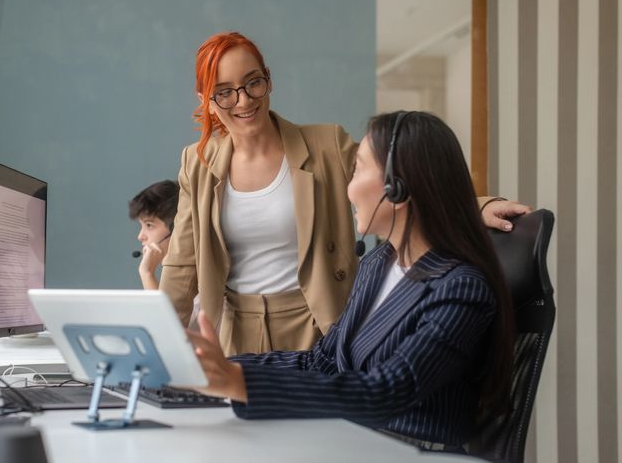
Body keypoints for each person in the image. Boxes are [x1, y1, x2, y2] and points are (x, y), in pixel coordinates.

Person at [160, 31, 528, 356]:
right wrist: (158, 351)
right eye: (224, 92)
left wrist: (474, 207)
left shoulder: (326, 146)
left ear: (269, 81)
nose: (243, 101)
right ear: (206, 99)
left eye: (253, 82)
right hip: (234, 334)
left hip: (319, 325)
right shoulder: (198, 162)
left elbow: (399, 183)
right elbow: (181, 265)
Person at [187, 110, 515, 452]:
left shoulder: (461, 288)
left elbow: (386, 391)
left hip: (409, 451)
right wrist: (222, 366)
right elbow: (323, 361)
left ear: (396, 189)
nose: (348, 187)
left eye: (357, 170)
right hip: (354, 441)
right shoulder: (378, 264)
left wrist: (241, 382)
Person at [129, 180, 201, 328]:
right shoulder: (172, 274)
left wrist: (147, 273)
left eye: (149, 225)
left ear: (177, 228)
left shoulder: (196, 281)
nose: (140, 236)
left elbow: (167, 330)